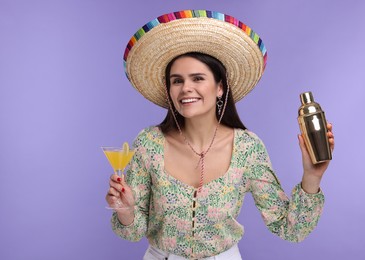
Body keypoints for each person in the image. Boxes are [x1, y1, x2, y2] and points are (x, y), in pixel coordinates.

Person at [105, 10, 335, 260]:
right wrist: (125, 209)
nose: (186, 88)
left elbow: (290, 229)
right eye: (176, 80)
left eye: (198, 78)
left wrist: (311, 177)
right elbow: (132, 232)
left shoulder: (247, 148)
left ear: (220, 87)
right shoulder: (149, 143)